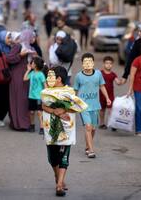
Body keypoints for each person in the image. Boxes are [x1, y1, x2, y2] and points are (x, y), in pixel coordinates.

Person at [41, 66, 87, 197]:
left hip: (66, 129)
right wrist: (54, 111)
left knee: (64, 158)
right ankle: (58, 177)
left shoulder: (70, 92)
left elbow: (77, 107)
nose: (48, 79)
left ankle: (59, 185)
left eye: (51, 77)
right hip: (50, 128)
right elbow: (43, 105)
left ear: (59, 79)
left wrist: (64, 110)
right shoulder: (46, 92)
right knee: (52, 158)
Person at [74, 53, 111, 158]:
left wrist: (107, 98)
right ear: (82, 64)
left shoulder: (98, 74)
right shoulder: (78, 76)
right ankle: (91, 150)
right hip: (83, 106)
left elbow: (102, 86)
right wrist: (71, 104)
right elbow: (75, 91)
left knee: (93, 128)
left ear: (93, 63)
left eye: (90, 61)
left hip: (95, 106)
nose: (88, 63)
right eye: (85, 62)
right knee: (88, 127)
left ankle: (87, 146)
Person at [7, 29, 35, 131]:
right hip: (17, 77)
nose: (33, 38)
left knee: (23, 100)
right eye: (31, 36)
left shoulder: (28, 47)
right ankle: (19, 124)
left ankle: (23, 123)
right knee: (18, 100)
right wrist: (20, 55)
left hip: (25, 76)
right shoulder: (19, 46)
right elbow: (9, 58)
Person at [23, 56, 46, 134]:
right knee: (32, 112)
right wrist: (28, 70)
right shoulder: (32, 73)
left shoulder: (41, 74)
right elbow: (25, 79)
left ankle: (42, 127)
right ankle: (32, 125)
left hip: (39, 97)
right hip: (31, 96)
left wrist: (45, 94)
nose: (30, 64)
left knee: (40, 112)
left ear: (35, 65)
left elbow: (45, 84)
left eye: (32, 63)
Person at [99, 56, 121, 130]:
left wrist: (120, 81)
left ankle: (112, 124)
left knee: (111, 109)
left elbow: (117, 81)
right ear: (104, 64)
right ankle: (102, 123)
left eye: (110, 63)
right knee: (102, 109)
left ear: (112, 65)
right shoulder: (100, 73)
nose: (108, 65)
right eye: (107, 63)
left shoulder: (113, 74)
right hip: (101, 95)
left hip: (110, 95)